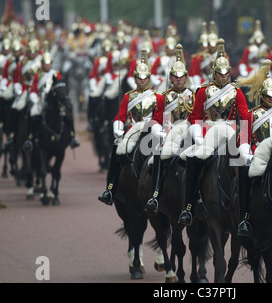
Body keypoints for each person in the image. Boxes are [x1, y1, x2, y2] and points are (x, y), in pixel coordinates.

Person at [177, 39, 250, 226]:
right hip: (208, 131)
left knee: (245, 163)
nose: (224, 77)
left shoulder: (237, 92)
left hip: (230, 132)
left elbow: (244, 117)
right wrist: (198, 137)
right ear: (214, 73)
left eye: (226, 73)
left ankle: (246, 212)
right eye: (220, 73)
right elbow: (194, 117)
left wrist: (244, 142)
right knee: (195, 158)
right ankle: (189, 206)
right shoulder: (203, 92)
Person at [98, 48, 160, 205]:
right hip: (133, 128)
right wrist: (118, 129)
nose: (142, 80)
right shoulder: (128, 96)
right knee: (119, 150)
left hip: (152, 128)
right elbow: (120, 115)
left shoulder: (157, 97)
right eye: (139, 78)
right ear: (135, 78)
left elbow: (160, 117)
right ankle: (110, 188)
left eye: (145, 78)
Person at [235, 59, 272, 236]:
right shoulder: (251, 115)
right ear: (262, 96)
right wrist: (246, 153)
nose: (271, 99)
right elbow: (243, 139)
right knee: (244, 175)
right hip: (258, 154)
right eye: (268, 96)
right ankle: (245, 217)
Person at [145, 44, 195, 213]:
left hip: (189, 132)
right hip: (169, 133)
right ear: (171, 78)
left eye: (182, 77)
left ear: (186, 77)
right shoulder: (163, 98)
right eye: (175, 77)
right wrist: (158, 133)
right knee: (159, 154)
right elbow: (156, 120)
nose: (179, 80)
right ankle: (156, 194)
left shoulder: (194, 96)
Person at [28, 42, 80, 149]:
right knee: (33, 113)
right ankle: (31, 138)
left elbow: (61, 87)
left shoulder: (56, 74)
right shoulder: (38, 76)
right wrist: (35, 99)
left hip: (56, 100)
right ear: (42, 64)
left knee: (68, 113)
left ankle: (72, 137)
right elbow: (33, 90)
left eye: (49, 63)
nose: (48, 66)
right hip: (41, 100)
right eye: (45, 64)